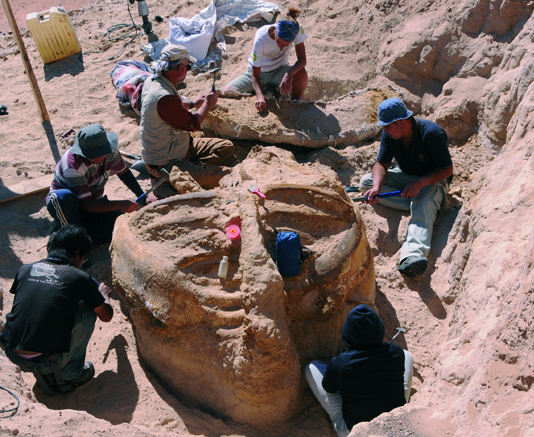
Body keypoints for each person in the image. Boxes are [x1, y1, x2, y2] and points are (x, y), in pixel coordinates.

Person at [0, 225, 114, 394]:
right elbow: (106, 316)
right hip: (44, 361)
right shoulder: (80, 277)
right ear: (77, 254)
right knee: (89, 308)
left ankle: (47, 364)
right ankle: (72, 373)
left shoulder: (25, 269)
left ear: (49, 248)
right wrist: (104, 295)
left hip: (12, 353)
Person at [359, 97, 453, 277]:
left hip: (433, 181)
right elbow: (381, 164)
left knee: (424, 203)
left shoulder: (432, 133)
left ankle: (412, 256)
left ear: (400, 121)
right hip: (407, 178)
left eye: (387, 125)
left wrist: (419, 183)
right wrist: (377, 187)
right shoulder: (390, 135)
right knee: (366, 183)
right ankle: (418, 203)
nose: (384, 130)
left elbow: (447, 169)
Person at [305, 304, 413, 436]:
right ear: (380, 329)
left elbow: (330, 388)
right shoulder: (396, 353)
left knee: (311, 367)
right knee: (406, 355)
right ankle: (402, 407)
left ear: (348, 333)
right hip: (393, 423)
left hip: (358, 431)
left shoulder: (341, 364)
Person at [140, 44, 235, 190]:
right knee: (226, 177)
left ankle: (194, 170)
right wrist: (208, 105)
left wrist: (193, 103)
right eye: (188, 67)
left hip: (180, 146)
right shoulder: (163, 97)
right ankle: (181, 175)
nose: (187, 71)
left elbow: (174, 105)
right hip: (166, 161)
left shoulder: (154, 81)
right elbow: (193, 124)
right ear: (180, 68)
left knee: (225, 148)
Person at [46, 124, 144, 245]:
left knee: (117, 228)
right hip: (69, 205)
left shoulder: (110, 150)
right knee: (63, 199)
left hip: (92, 201)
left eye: (101, 152)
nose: (100, 157)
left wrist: (142, 196)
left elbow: (124, 173)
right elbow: (86, 204)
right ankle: (70, 237)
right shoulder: (73, 164)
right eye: (93, 154)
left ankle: (80, 231)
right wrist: (121, 204)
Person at [222, 6, 308, 112]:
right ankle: (264, 91)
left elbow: (302, 60)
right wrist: (260, 97)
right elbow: (255, 75)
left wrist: (289, 73)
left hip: (280, 70)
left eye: (286, 45)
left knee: (302, 74)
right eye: (279, 42)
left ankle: (295, 104)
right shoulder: (261, 37)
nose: (281, 47)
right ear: (275, 31)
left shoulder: (297, 30)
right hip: (260, 73)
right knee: (226, 91)